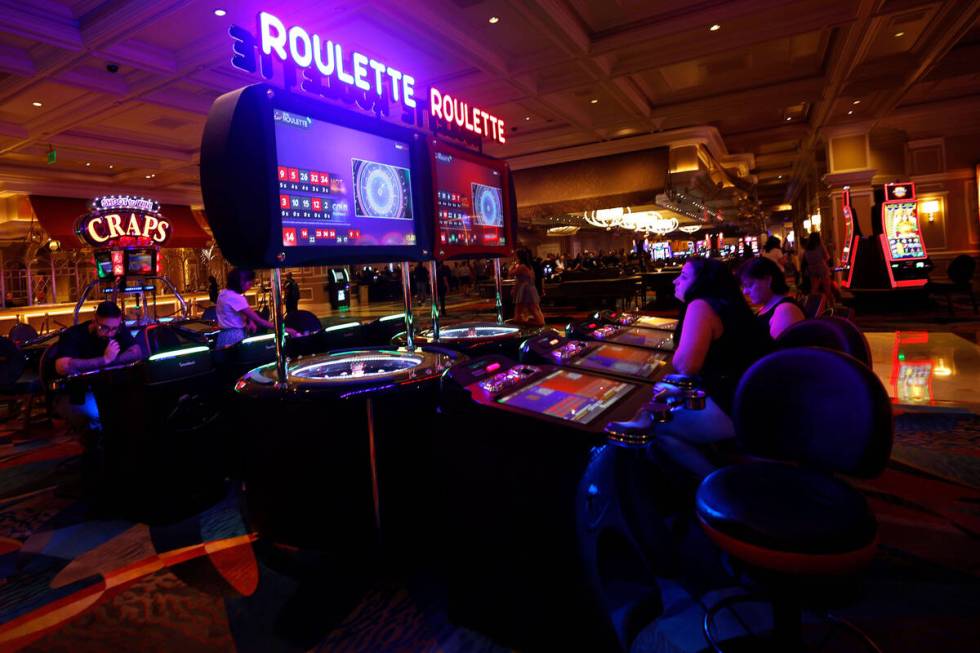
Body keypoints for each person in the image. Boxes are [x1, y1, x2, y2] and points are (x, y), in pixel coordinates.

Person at [670, 258, 772, 419]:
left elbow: (685, 366)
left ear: (702, 282)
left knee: (652, 426)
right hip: (757, 399)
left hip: (735, 406)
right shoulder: (728, 304)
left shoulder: (700, 305)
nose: (675, 281)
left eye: (683, 276)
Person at [52, 301, 143, 431]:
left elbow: (136, 352)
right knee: (101, 415)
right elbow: (62, 366)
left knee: (136, 407)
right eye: (104, 328)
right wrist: (103, 360)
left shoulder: (117, 330)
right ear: (95, 320)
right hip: (78, 392)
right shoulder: (74, 335)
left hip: (110, 388)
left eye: (114, 329)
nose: (110, 333)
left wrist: (112, 360)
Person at [216, 268, 297, 348]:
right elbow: (260, 321)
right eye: (249, 284)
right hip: (235, 337)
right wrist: (286, 330)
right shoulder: (236, 298)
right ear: (241, 282)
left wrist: (250, 321)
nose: (250, 287)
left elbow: (239, 312)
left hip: (223, 336)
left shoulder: (223, 293)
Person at [739, 257, 805, 339]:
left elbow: (780, 351)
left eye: (749, 285)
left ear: (768, 280)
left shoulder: (784, 310)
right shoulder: (768, 306)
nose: (745, 291)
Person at [510, 248, 545, 326]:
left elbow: (510, 273)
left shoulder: (522, 266)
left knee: (531, 308)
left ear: (519, 257)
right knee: (533, 308)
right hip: (529, 288)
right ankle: (523, 324)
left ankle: (540, 324)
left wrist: (513, 264)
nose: (515, 257)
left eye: (516, 256)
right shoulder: (529, 266)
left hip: (524, 289)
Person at [803, 232, 834, 309]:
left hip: (812, 269)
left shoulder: (807, 248)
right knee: (827, 289)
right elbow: (827, 257)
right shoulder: (820, 246)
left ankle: (813, 306)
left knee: (814, 290)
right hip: (821, 268)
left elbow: (806, 260)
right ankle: (832, 307)